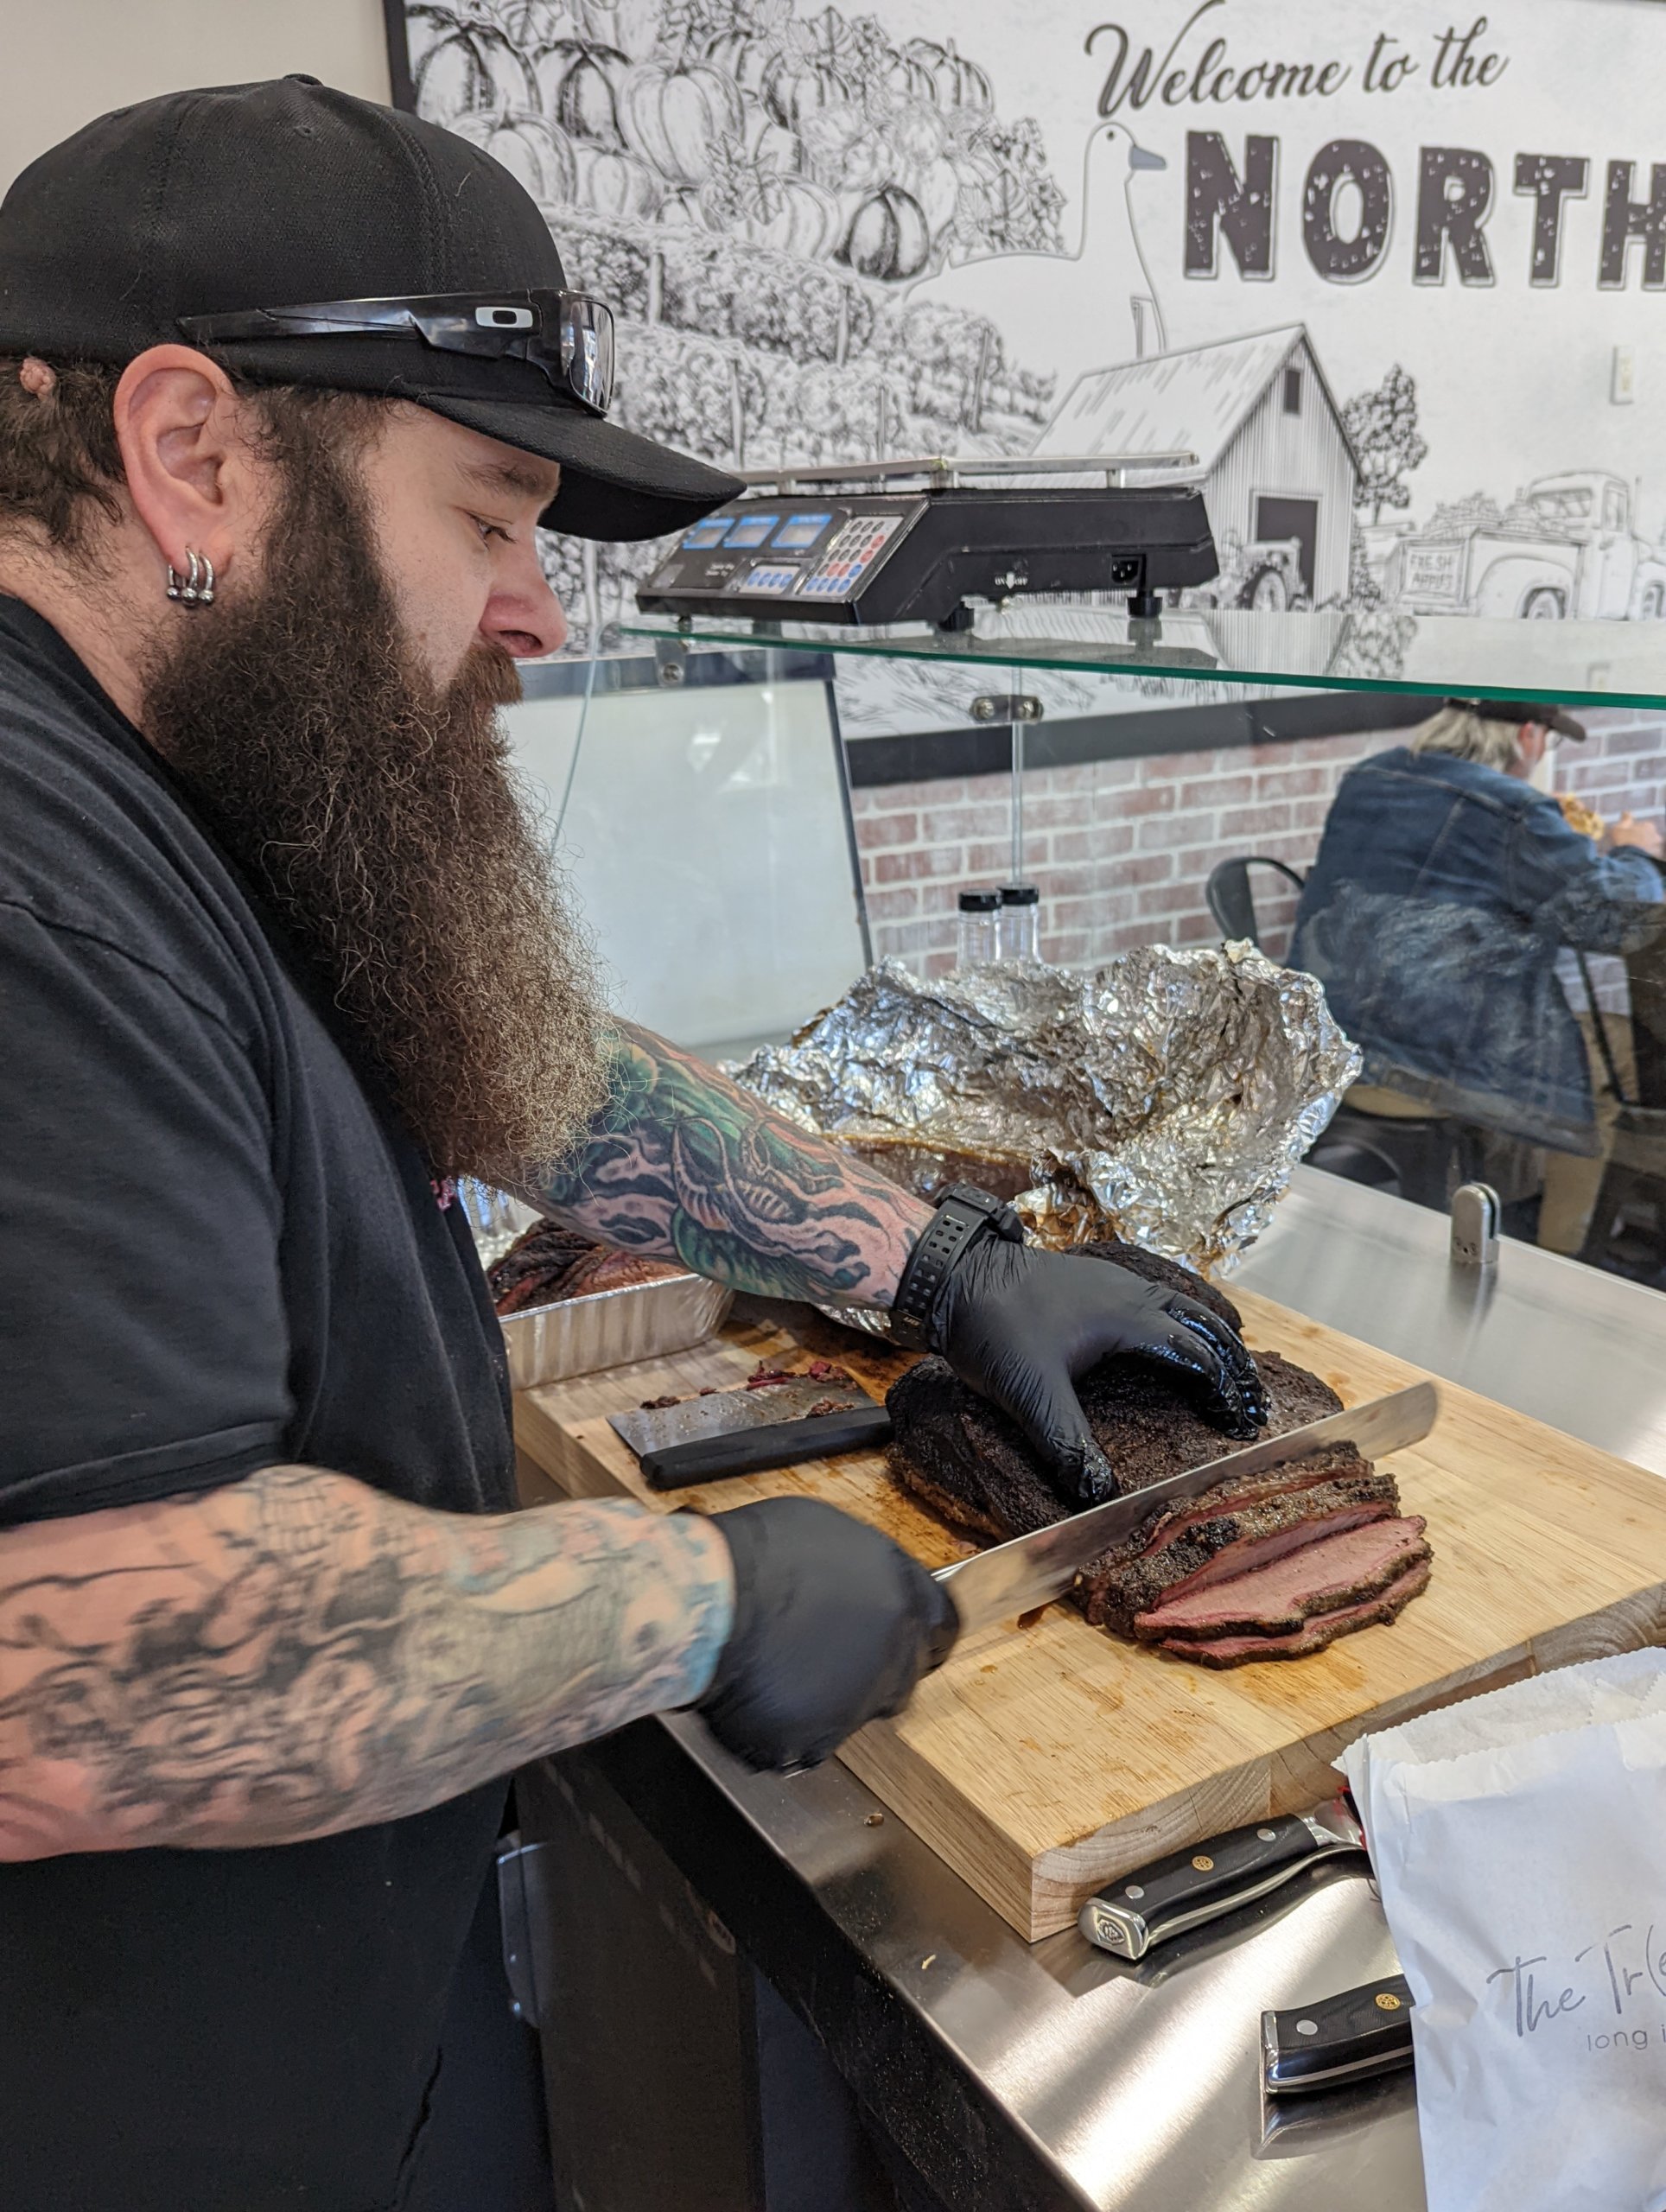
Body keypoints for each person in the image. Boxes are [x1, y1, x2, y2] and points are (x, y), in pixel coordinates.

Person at [0, 79, 1266, 2212]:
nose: (539, 609)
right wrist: (688, 1590)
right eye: (486, 515)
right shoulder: (31, 886)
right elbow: (69, 1668)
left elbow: (521, 1056)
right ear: (193, 452)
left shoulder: (183, 763)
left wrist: (925, 1256)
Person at [1292, 698, 1664, 1247]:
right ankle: (1566, 1255)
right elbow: (1615, 920)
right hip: (1440, 1061)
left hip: (1334, 1035)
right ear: (1529, 736)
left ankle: (1515, 1205)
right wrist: (1639, 855)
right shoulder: (1514, 808)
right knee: (1624, 1066)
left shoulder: (1371, 776)